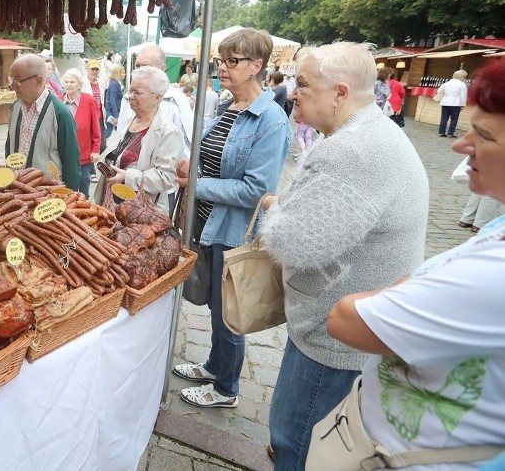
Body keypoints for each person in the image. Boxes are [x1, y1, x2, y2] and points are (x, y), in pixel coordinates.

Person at [256, 42, 429, 470]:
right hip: (350, 336)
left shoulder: (353, 150)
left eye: (303, 83)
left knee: (298, 445)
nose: (293, 92)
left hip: (333, 346)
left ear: (339, 92)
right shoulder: (368, 134)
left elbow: (289, 242)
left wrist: (276, 209)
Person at [325, 60, 505, 470]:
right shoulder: (497, 226)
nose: (460, 145)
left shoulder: (496, 275)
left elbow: (345, 319)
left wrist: (406, 290)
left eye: (485, 135)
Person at [172, 28, 291, 410]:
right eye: (221, 60)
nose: (222, 67)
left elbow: (256, 190)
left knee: (229, 313)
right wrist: (195, 166)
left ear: (257, 66)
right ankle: (213, 365)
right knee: (215, 306)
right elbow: (216, 159)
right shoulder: (228, 107)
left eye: (232, 61)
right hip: (209, 223)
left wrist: (199, 184)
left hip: (234, 230)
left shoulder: (270, 120)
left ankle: (226, 388)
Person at [93, 66, 183, 215]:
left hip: (140, 214)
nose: (131, 96)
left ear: (157, 97)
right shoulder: (131, 120)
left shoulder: (169, 132)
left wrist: (127, 177)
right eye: (130, 91)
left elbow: (167, 177)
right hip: (112, 205)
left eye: (138, 93)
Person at [5, 54, 80, 191]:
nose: (13, 85)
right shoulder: (15, 107)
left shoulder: (60, 114)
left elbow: (71, 165)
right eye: (12, 79)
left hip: (47, 199)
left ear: (39, 80)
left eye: (18, 80)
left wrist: (69, 198)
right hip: (16, 191)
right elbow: (9, 146)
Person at [61, 68, 101, 197]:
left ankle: (83, 210)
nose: (68, 84)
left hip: (83, 152)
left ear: (79, 84)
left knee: (84, 183)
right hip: (63, 153)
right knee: (65, 186)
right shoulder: (58, 100)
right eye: (66, 81)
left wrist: (96, 149)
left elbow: (95, 126)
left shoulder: (89, 100)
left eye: (72, 82)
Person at [82, 59, 106, 155]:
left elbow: (103, 100)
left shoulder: (102, 83)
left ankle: (92, 159)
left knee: (102, 145)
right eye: (92, 69)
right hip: (87, 117)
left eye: (97, 70)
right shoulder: (82, 82)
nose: (94, 72)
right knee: (87, 142)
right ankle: (89, 163)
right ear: (87, 69)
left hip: (99, 116)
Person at [438, 69, 469, 138]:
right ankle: (450, 133)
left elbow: (439, 91)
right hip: (455, 103)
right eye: (464, 77)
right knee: (454, 119)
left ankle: (441, 132)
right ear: (461, 77)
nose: (464, 79)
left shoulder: (446, 83)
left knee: (444, 118)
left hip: (445, 102)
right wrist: (463, 104)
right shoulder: (462, 84)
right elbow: (463, 96)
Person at [104, 65, 125, 142]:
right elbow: (112, 100)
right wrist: (116, 115)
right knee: (108, 132)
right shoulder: (115, 85)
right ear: (118, 74)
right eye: (123, 73)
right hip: (111, 112)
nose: (124, 74)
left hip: (112, 111)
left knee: (109, 132)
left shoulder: (114, 83)